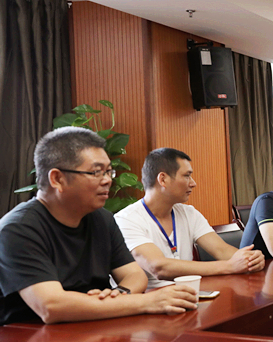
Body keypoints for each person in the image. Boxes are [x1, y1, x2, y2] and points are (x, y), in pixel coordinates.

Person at [0, 128, 197, 325]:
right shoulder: (18, 229)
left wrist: (119, 295)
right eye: (96, 172)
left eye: (108, 171)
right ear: (57, 179)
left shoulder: (101, 219)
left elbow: (134, 275)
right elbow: (51, 306)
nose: (107, 180)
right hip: (32, 336)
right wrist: (147, 301)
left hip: (96, 325)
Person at [115, 148, 265, 289]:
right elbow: (159, 267)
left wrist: (250, 259)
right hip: (149, 299)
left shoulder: (189, 213)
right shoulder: (126, 219)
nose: (193, 183)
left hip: (189, 294)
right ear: (163, 179)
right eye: (187, 176)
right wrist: (229, 266)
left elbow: (221, 250)